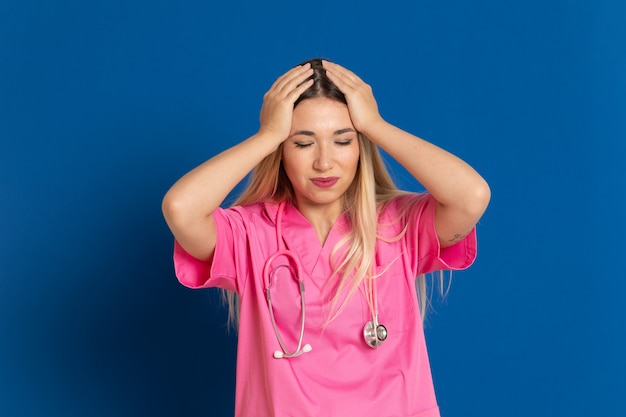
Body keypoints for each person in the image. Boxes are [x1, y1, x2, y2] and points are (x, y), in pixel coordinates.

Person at [162, 58, 490, 417]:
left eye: (343, 140)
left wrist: (375, 125)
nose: (324, 162)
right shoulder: (249, 234)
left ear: (361, 146)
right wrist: (267, 135)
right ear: (281, 153)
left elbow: (471, 196)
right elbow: (181, 208)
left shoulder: (399, 225)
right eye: (302, 143)